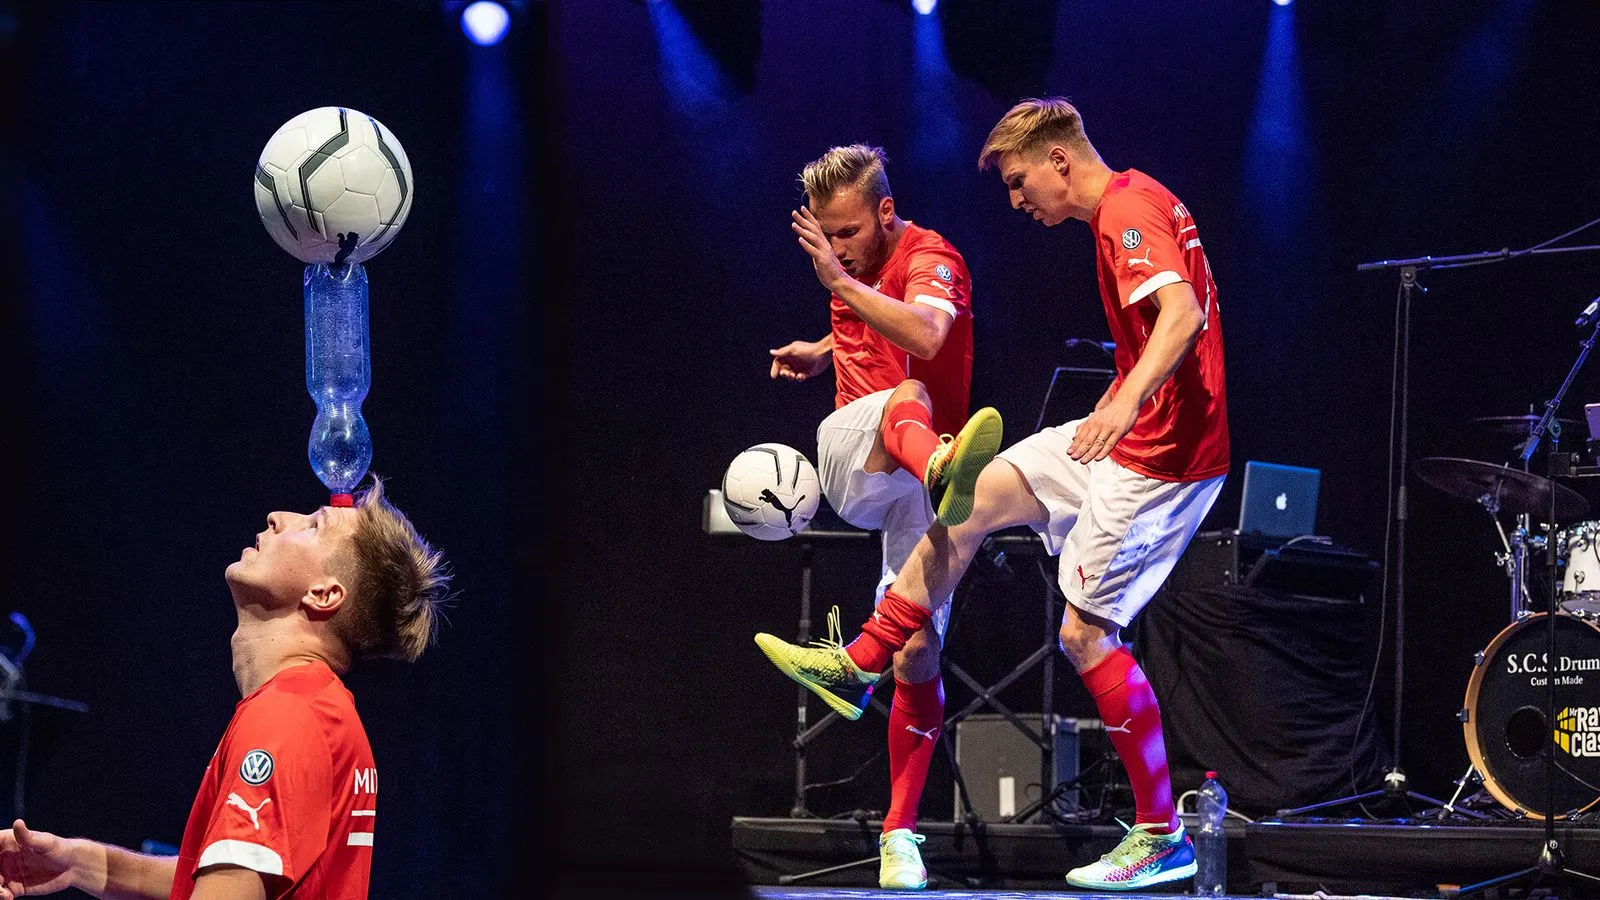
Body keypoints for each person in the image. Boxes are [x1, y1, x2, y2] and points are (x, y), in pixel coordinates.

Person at [756, 99, 1229, 892]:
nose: (1017, 201)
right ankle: (860, 660)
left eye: (1019, 183)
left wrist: (1123, 400)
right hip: (1123, 433)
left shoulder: (1125, 211)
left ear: (1058, 162)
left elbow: (1180, 314)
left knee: (1085, 637)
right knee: (968, 503)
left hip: (1164, 461)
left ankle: (1162, 834)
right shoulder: (1133, 201)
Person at [0, 477, 451, 900]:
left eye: (314, 526)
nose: (278, 516)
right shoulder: (318, 709)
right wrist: (80, 864)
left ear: (323, 594)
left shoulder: (286, 718)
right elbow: (225, 873)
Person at [757, 144, 1002, 890]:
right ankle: (937, 464)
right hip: (858, 457)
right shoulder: (856, 265)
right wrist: (829, 349)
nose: (836, 252)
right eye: (826, 238)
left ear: (885, 214)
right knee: (913, 402)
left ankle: (900, 838)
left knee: (916, 650)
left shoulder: (935, 258)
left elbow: (926, 332)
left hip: (928, 476)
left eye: (848, 234)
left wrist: (831, 295)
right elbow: (885, 337)